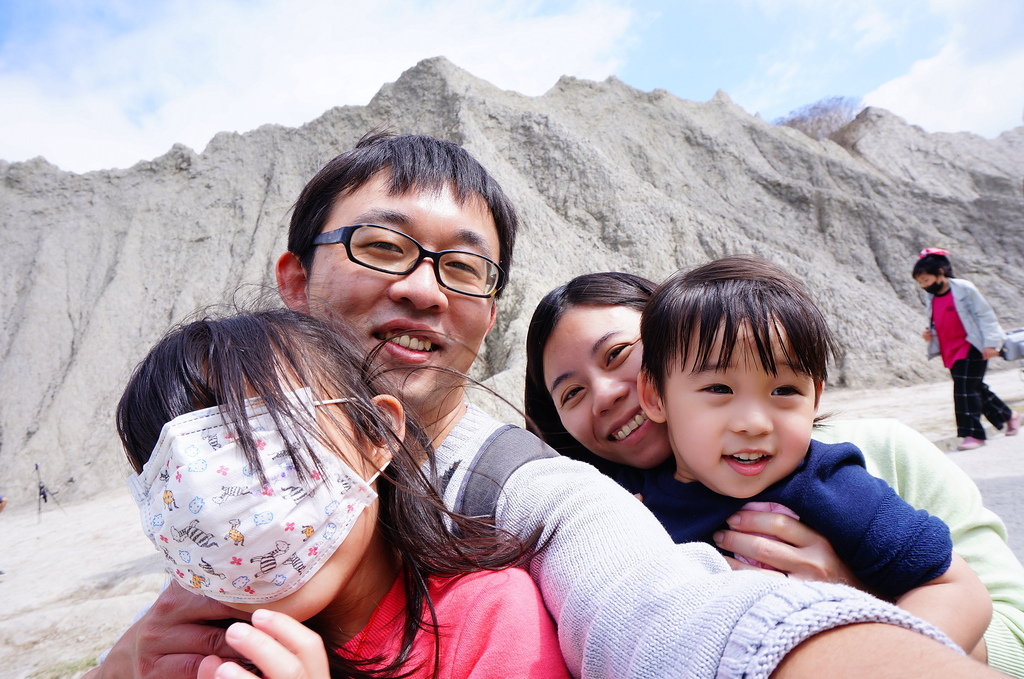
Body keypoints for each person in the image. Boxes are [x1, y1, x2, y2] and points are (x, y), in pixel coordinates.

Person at [91, 133, 1007, 679]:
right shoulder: (230, 514)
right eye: (382, 245)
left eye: (461, 265)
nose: (421, 288)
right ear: (294, 277)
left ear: (485, 311)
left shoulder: (525, 491)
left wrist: (831, 623)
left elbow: (654, 607)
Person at [526, 269, 1024, 676]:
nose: (607, 394)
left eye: (618, 355)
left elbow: (986, 610)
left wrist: (860, 615)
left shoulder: (833, 475)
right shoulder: (604, 514)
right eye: (572, 393)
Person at [118, 308, 569, 679]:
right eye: (183, 488)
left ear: (376, 433)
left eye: (270, 449)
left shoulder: (486, 620)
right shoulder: (190, 658)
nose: (229, 518)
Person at [633, 255, 990, 653]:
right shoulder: (630, 502)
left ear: (815, 397)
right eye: (719, 389)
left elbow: (956, 587)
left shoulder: (832, 485)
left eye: (784, 391)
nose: (754, 423)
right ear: (654, 396)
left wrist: (882, 664)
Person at [913, 248, 1020, 450]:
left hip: (973, 346)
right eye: (920, 283)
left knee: (963, 390)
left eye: (926, 280)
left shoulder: (963, 288)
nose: (924, 286)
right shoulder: (932, 297)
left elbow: (985, 315)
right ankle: (1010, 415)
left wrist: (991, 343)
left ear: (941, 273)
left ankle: (973, 435)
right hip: (950, 349)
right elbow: (940, 321)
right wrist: (930, 334)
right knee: (975, 387)